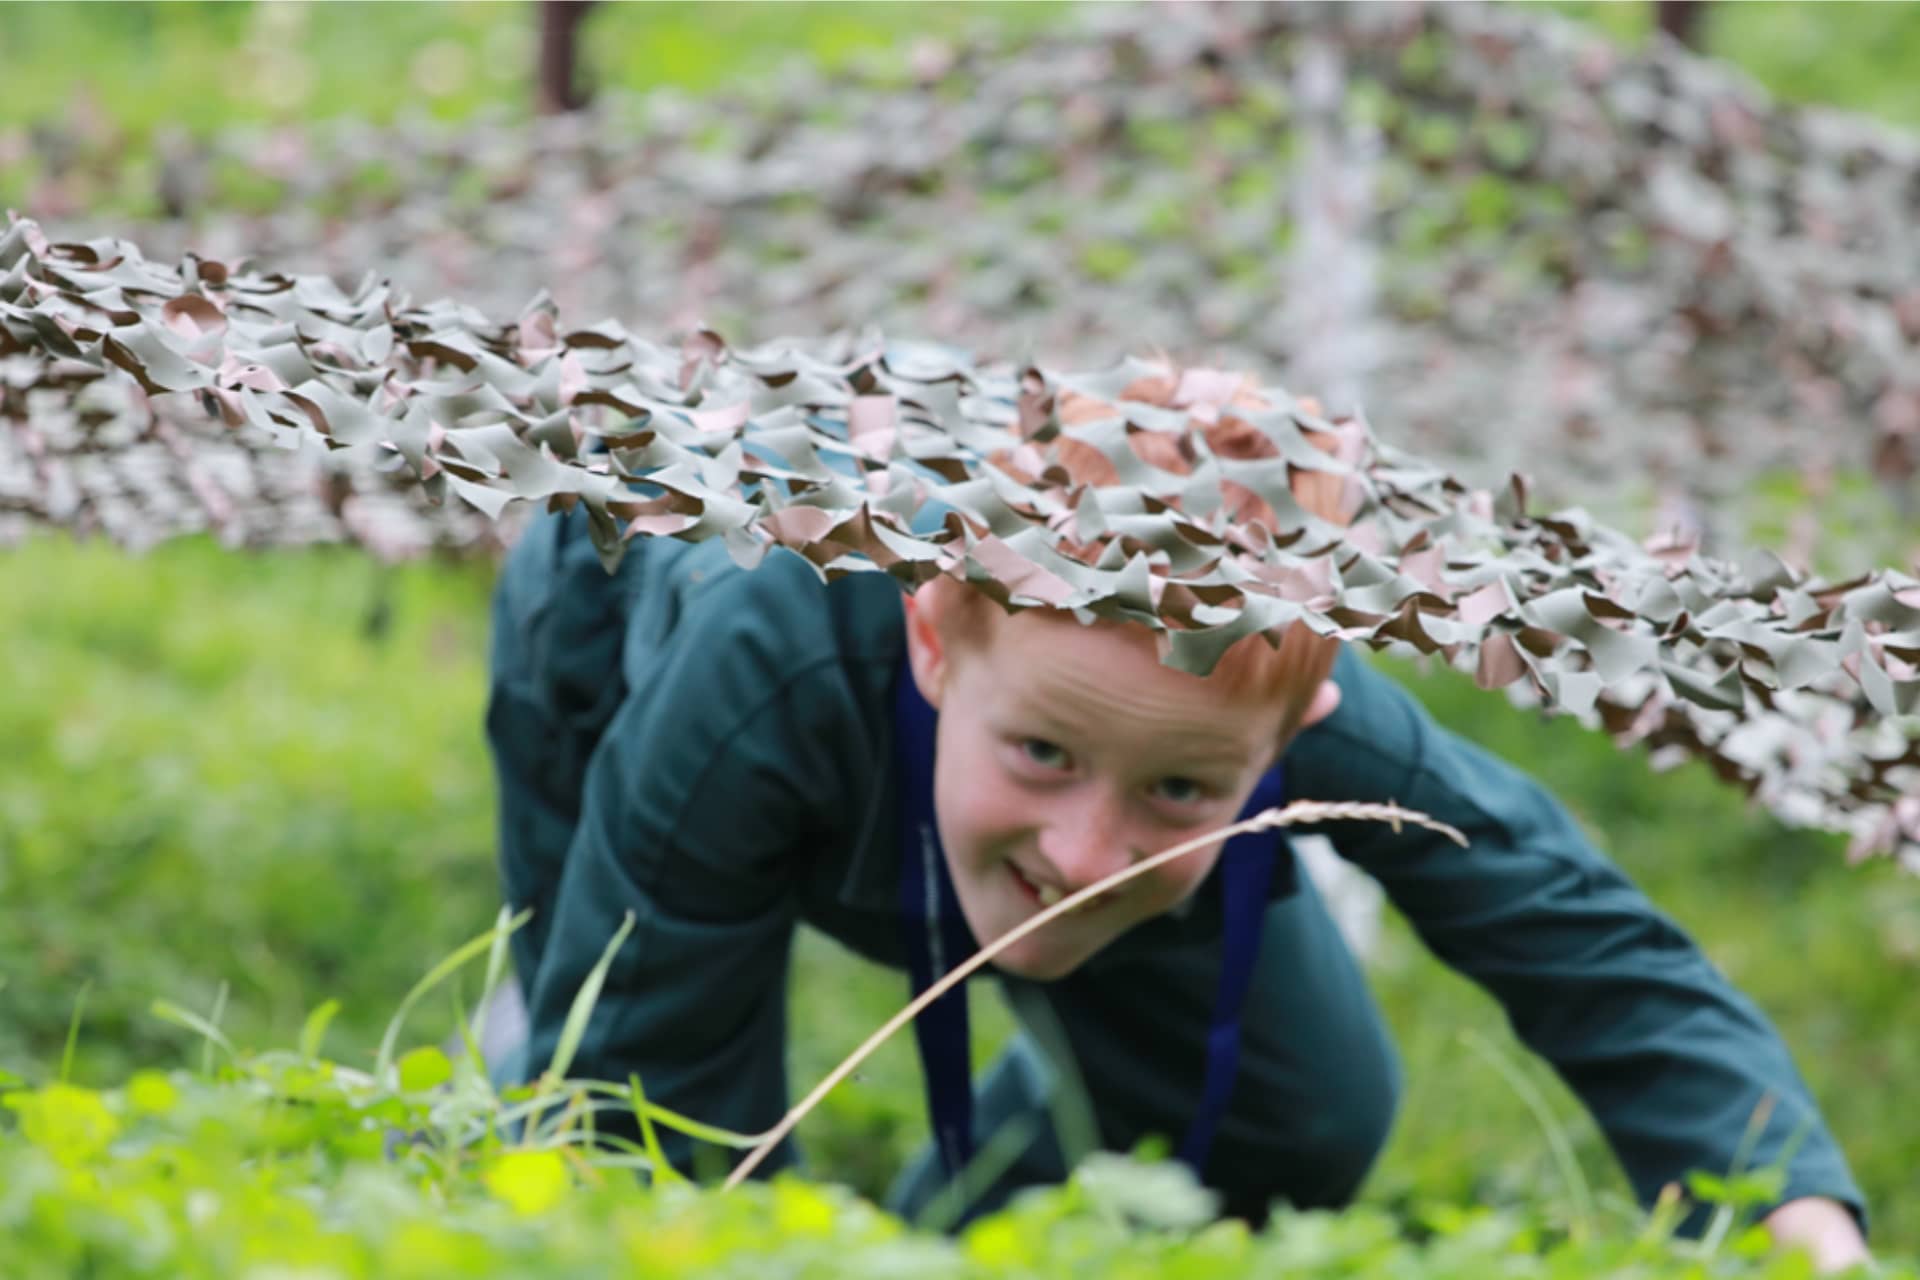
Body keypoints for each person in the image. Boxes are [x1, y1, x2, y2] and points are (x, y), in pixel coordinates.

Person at [482, 363, 1869, 1270]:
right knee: (644, 1119)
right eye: (1042, 754)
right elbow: (653, 1150)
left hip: (976, 734)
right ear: (932, 643)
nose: (1087, 858)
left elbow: (1570, 929)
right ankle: (513, 1047)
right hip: (640, 635)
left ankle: (954, 1242)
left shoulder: (1259, 686)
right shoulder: (750, 662)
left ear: (1290, 738)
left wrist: (1803, 1224)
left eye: (1183, 787)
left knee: (1303, 1114)